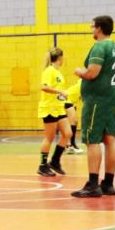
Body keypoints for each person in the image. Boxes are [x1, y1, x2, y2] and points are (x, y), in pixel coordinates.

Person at [71, 15, 115, 198]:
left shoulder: (100, 46)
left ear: (99, 28)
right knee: (110, 139)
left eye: (92, 26)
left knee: (92, 140)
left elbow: (92, 73)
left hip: (97, 99)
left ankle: (93, 184)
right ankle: (108, 183)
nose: (91, 29)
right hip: (111, 97)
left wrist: (79, 71)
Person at [36, 47, 69, 177]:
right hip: (49, 108)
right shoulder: (49, 71)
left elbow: (57, 89)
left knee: (67, 133)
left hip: (58, 107)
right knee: (49, 138)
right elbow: (44, 87)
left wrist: (63, 95)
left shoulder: (57, 72)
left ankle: (55, 161)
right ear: (60, 57)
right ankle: (42, 165)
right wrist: (59, 91)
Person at [63, 77, 83, 153]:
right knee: (73, 122)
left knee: (73, 123)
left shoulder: (83, 82)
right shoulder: (84, 82)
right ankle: (71, 145)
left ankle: (67, 145)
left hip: (71, 102)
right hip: (66, 100)